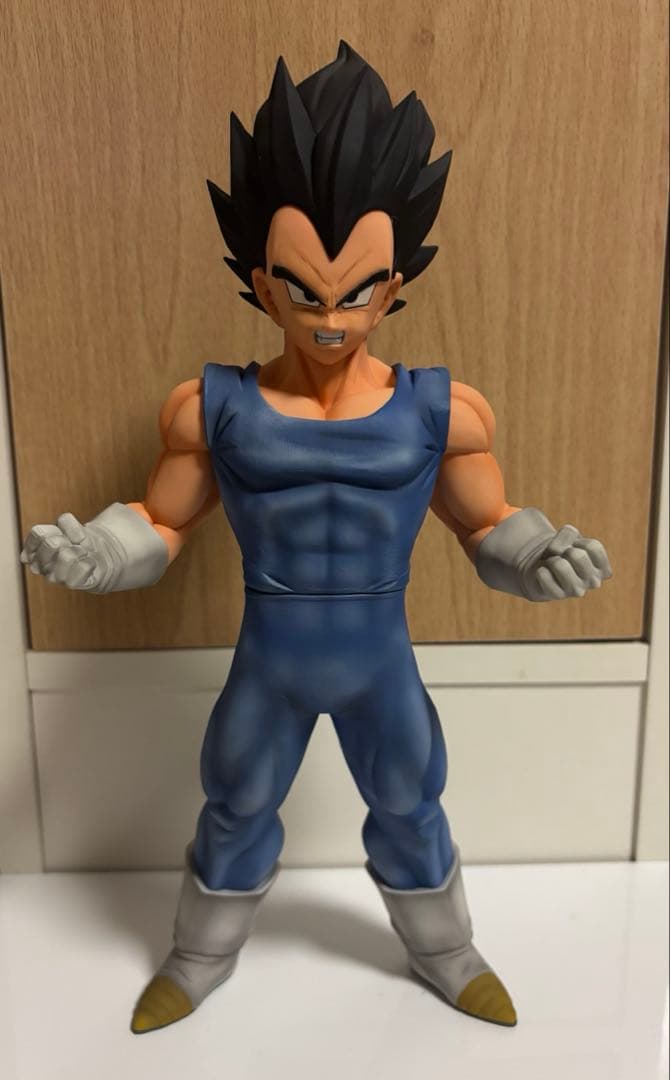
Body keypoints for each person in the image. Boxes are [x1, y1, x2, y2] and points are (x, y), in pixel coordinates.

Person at [20, 41, 612, 1034]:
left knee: (411, 800)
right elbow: (161, 520)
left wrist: (538, 557)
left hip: (380, 660)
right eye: (303, 290)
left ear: (394, 283)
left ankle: (446, 949)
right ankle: (199, 955)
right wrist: (102, 555)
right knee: (236, 799)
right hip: (272, 660)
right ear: (261, 282)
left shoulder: (442, 410)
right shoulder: (211, 408)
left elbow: (487, 525)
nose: (331, 318)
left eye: (356, 290)